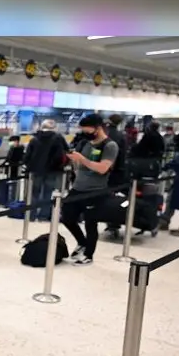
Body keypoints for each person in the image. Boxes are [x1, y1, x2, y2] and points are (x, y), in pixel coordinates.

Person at [61, 113, 119, 266]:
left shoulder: (110, 146)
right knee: (66, 217)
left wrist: (82, 160)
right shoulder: (85, 143)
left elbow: (103, 168)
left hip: (95, 190)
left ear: (98, 128)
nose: (86, 134)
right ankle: (82, 242)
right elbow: (80, 165)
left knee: (90, 223)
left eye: (88, 130)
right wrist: (74, 160)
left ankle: (88, 254)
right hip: (78, 187)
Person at [22, 119, 67, 221]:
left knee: (34, 193)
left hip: (36, 170)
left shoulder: (34, 139)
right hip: (52, 170)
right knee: (47, 193)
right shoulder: (58, 138)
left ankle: (31, 215)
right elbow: (64, 153)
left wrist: (29, 166)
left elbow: (27, 156)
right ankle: (43, 216)